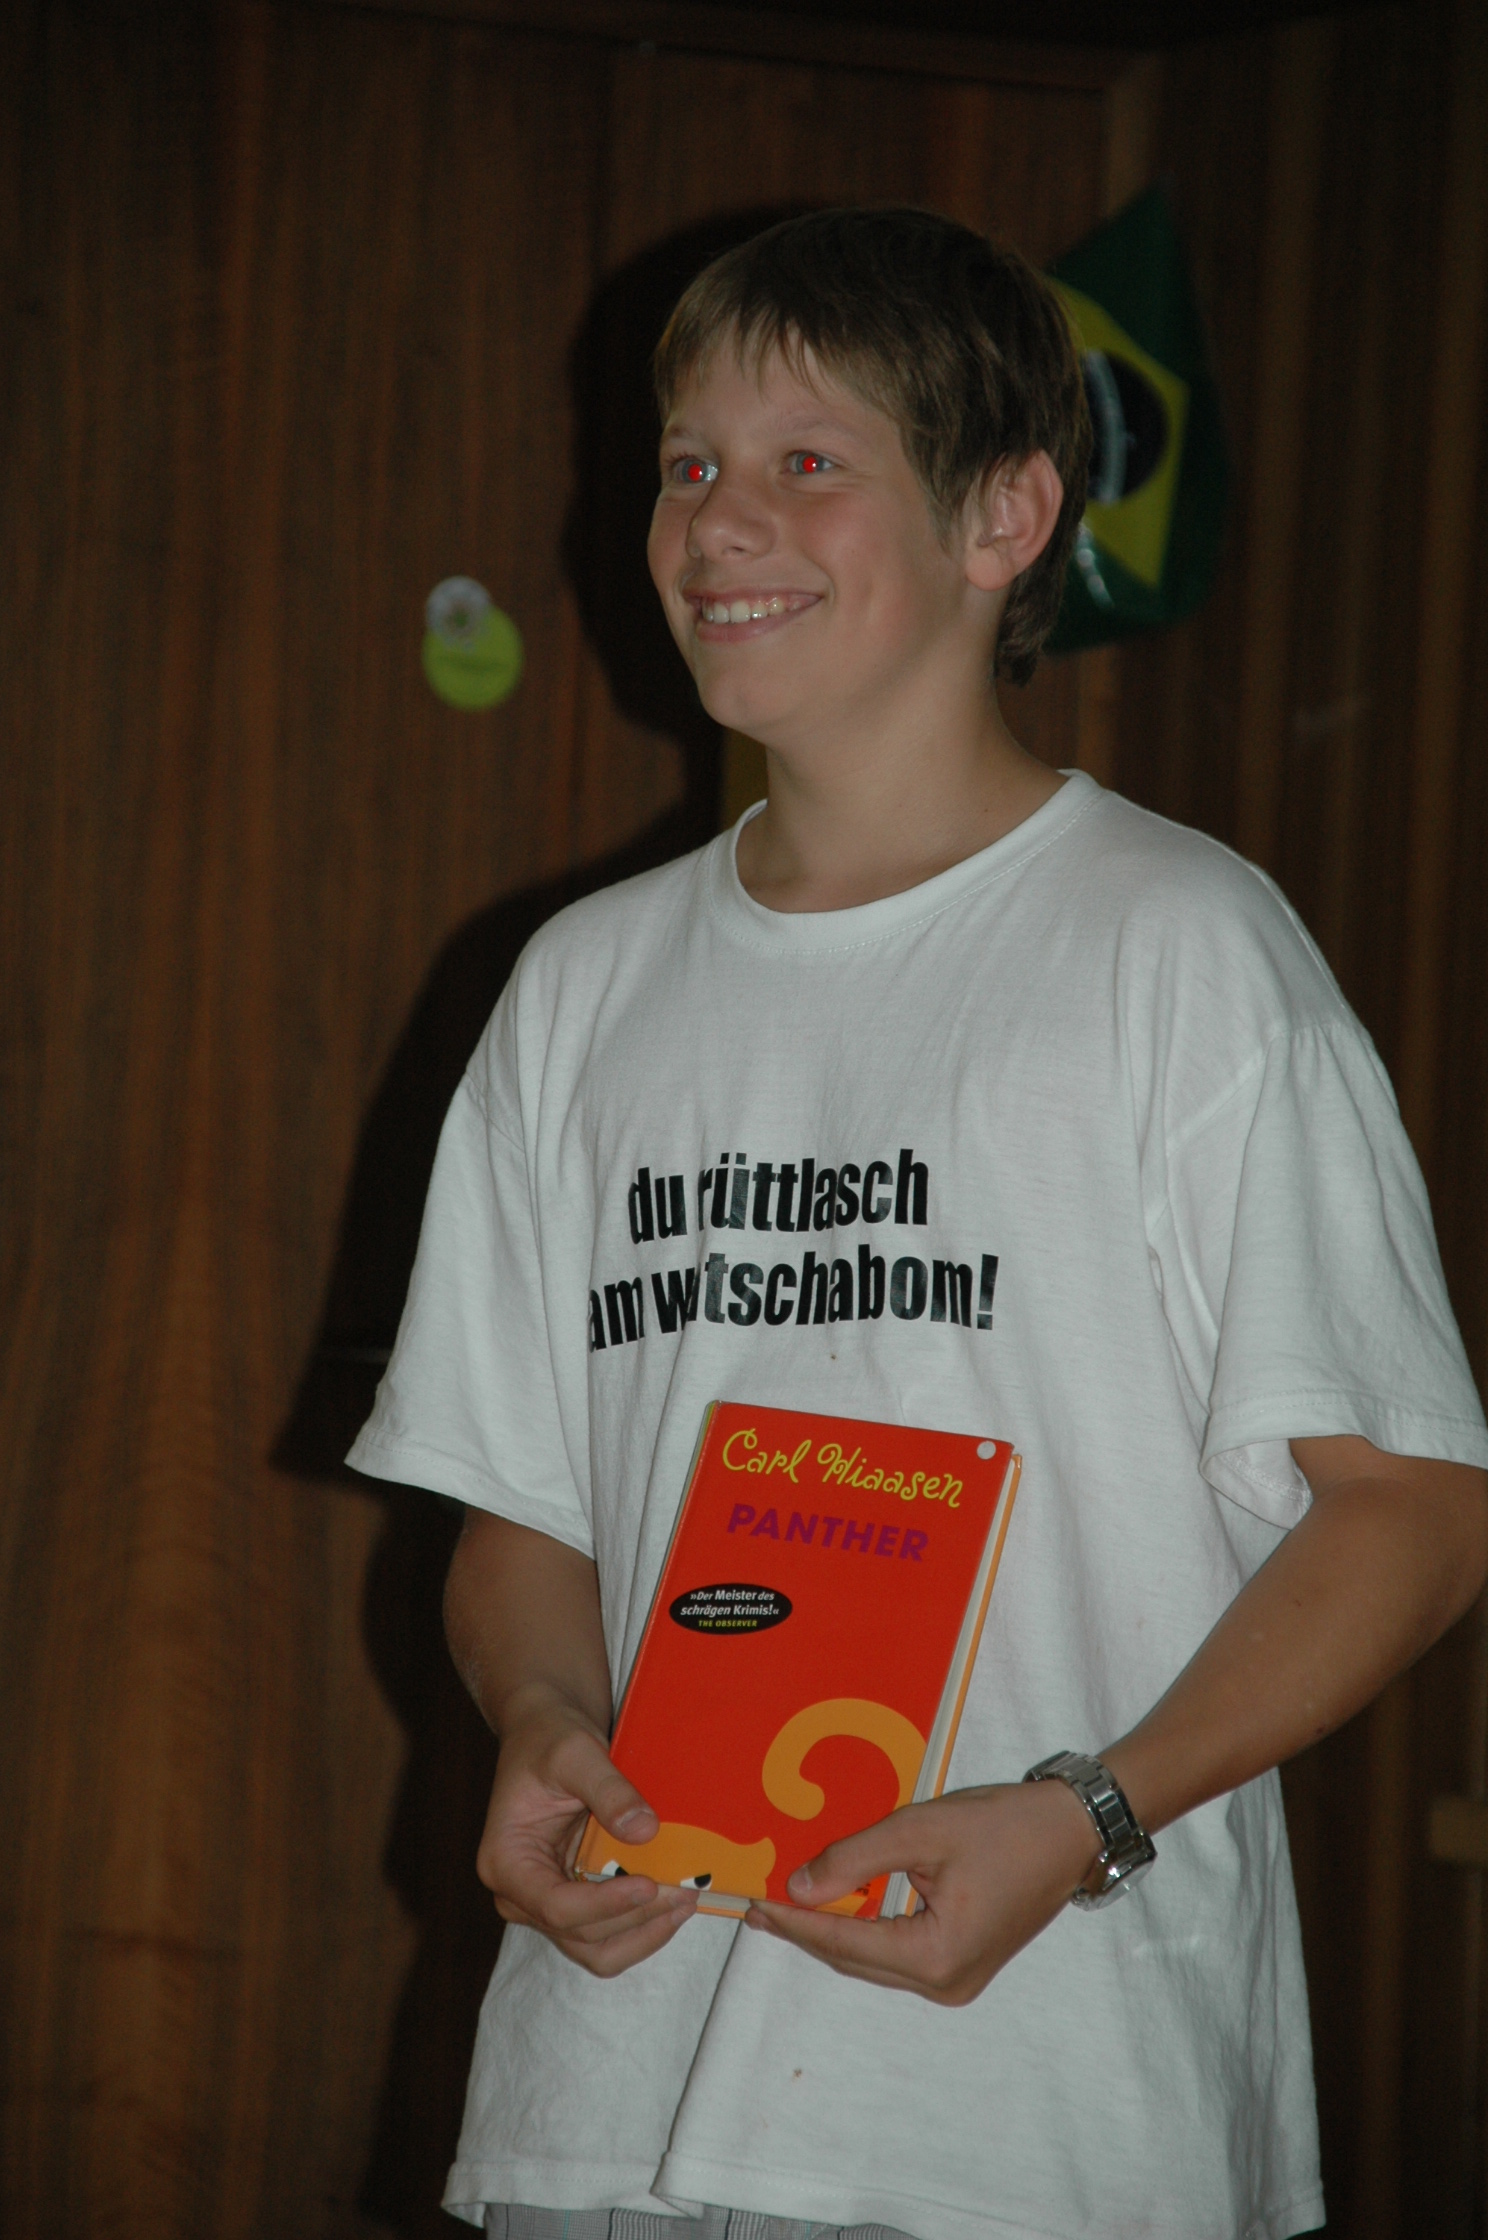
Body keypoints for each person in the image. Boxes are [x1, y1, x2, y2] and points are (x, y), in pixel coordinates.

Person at [348, 207, 1488, 2240]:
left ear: (1006, 516)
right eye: (686, 461)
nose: (717, 523)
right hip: (606, 2084)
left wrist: (1089, 1815)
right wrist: (540, 1721)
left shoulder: (1181, 949)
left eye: (808, 461)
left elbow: (1410, 1506)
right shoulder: (578, 988)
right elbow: (521, 1512)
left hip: (1035, 2101)